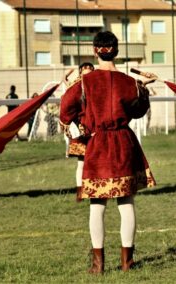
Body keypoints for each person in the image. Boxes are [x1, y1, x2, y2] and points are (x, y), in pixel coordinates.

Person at [60, 31, 156, 274]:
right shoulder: (129, 82)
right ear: (117, 51)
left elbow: (65, 111)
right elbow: (138, 111)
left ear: (95, 51)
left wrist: (80, 132)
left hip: (98, 145)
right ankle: (127, 262)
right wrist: (143, 87)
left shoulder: (84, 82)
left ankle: (98, 265)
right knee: (126, 203)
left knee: (97, 206)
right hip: (124, 142)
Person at [60, 62, 95, 198]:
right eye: (84, 70)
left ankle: (93, 189)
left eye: (89, 70)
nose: (87, 73)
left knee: (94, 162)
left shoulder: (94, 85)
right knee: (82, 162)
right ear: (80, 73)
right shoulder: (76, 86)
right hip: (82, 129)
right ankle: (80, 192)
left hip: (93, 128)